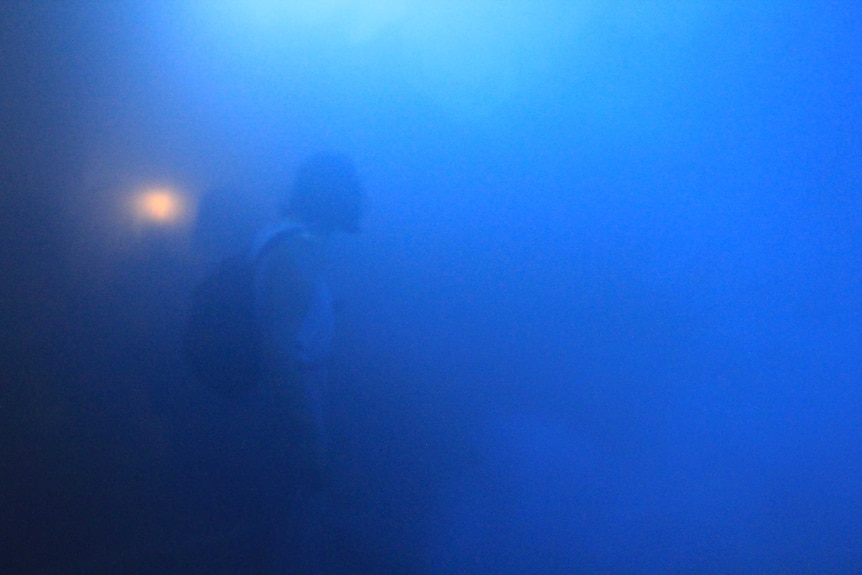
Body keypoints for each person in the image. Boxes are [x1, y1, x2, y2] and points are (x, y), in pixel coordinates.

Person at [248, 152, 364, 574]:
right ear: (333, 196)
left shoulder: (283, 240)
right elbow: (280, 350)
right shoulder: (297, 249)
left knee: (289, 530)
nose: (362, 200)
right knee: (296, 535)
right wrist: (309, 440)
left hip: (291, 401)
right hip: (293, 406)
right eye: (353, 190)